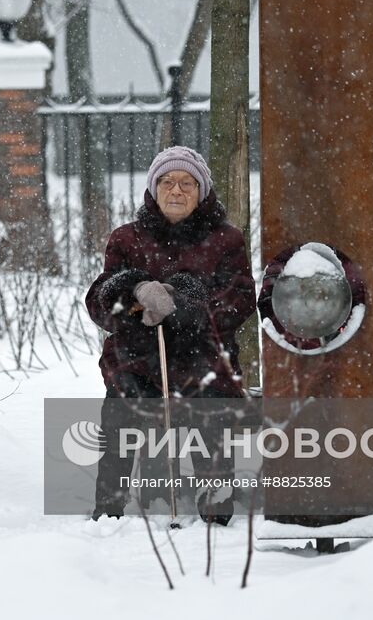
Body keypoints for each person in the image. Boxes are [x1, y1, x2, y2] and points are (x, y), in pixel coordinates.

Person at [83, 146, 257, 523]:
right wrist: (135, 295)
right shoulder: (126, 239)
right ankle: (108, 508)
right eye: (167, 182)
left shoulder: (226, 240)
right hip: (139, 358)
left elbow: (240, 300)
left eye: (186, 183)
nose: (176, 191)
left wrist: (185, 307)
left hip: (204, 357)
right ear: (153, 188)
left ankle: (215, 506)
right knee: (121, 401)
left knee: (211, 401)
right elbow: (100, 301)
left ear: (202, 191)